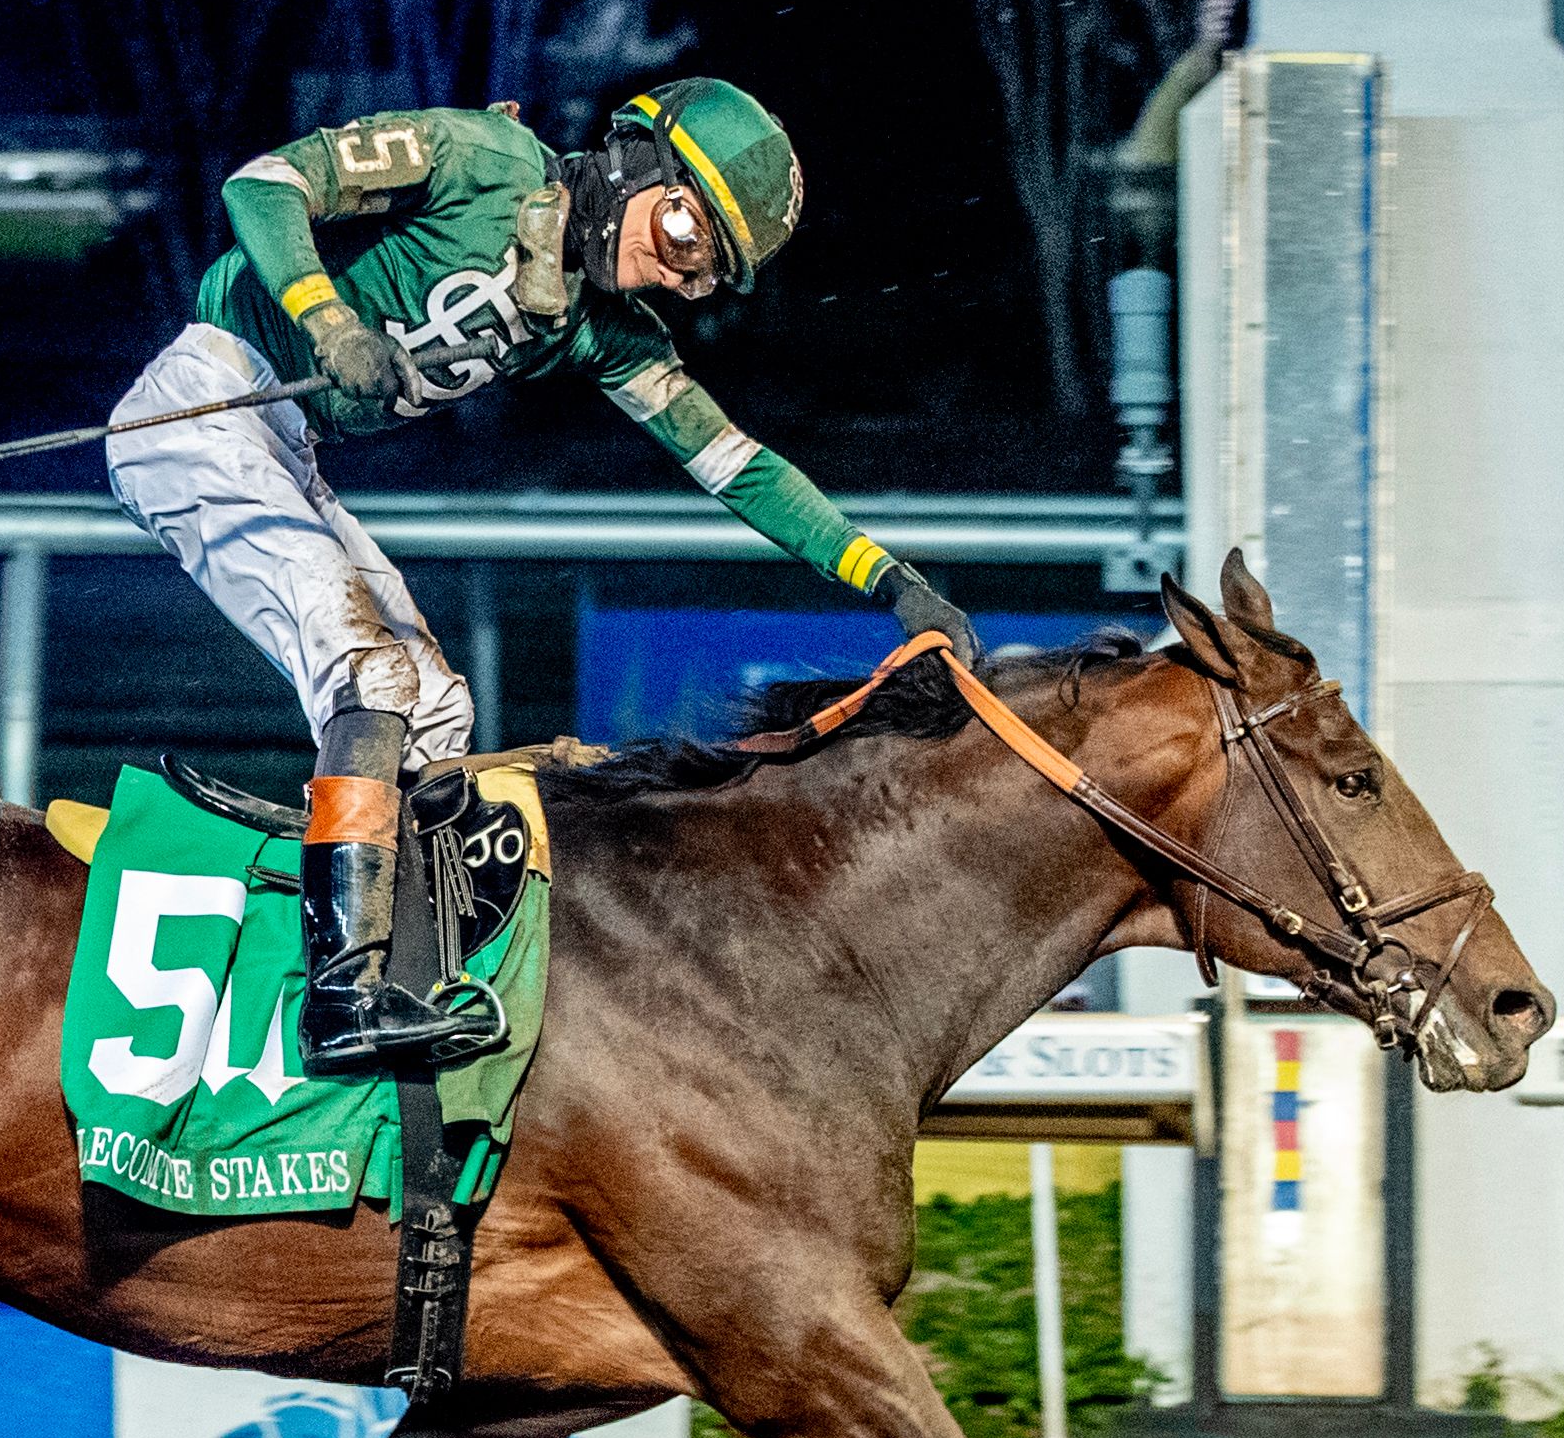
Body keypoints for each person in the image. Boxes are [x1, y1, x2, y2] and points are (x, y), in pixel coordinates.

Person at [105, 78, 982, 1076]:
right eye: (687, 233)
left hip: (285, 450)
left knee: (436, 708)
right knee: (372, 676)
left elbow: (738, 465)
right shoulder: (484, 158)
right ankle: (338, 997)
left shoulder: (601, 332)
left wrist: (894, 582)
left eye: (704, 276)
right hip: (201, 405)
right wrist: (324, 316)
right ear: (635, 161)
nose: (674, 274)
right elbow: (263, 184)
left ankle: (410, 976)